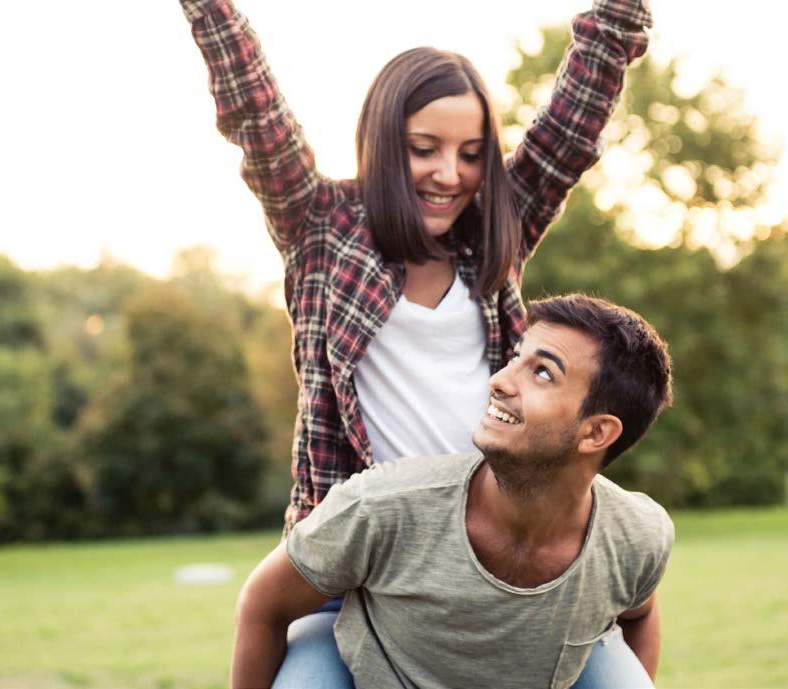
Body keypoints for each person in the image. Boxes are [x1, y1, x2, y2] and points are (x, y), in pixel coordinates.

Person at [178, 0, 654, 685]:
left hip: (492, 545)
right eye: (423, 148)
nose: (448, 174)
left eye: (469, 153)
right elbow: (254, 110)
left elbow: (574, 121)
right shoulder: (319, 228)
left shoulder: (496, 229)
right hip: (358, 561)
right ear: (381, 140)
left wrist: (618, 16)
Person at [231, 294, 675, 689]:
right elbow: (262, 606)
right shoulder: (380, 506)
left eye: (541, 373)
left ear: (596, 433)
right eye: (515, 358)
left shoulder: (637, 533)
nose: (500, 381)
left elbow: (640, 615)